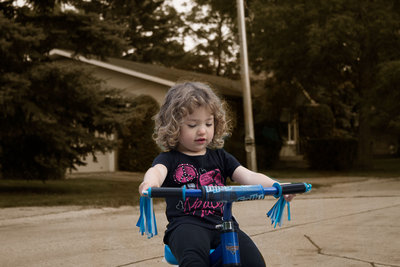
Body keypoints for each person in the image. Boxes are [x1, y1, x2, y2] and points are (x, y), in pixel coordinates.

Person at [138, 82, 294, 267]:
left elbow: (249, 176)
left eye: (208, 123)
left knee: (254, 262)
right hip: (187, 226)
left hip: (223, 223)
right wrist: (150, 183)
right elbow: (156, 172)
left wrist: (277, 185)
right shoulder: (169, 159)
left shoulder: (220, 157)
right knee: (194, 261)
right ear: (173, 126)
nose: (202, 130)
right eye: (192, 124)